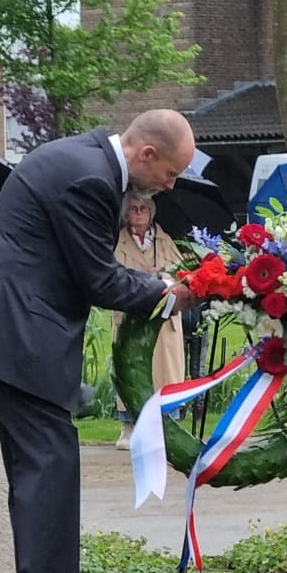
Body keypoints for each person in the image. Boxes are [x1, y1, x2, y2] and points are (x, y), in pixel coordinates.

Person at [0, 109, 197, 573]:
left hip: (10, 328)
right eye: (171, 174)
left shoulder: (83, 157)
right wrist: (169, 292)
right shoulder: (93, 179)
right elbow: (97, 279)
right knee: (48, 470)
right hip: (18, 334)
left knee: (43, 469)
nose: (170, 187)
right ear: (146, 153)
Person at [109, 191, 185, 451]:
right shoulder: (117, 242)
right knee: (130, 366)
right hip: (131, 314)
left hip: (164, 318)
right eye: (133, 209)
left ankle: (167, 425)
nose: (139, 213)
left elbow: (182, 275)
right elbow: (111, 276)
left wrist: (161, 275)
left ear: (152, 212)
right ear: (125, 213)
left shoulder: (165, 241)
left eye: (143, 208)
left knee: (166, 372)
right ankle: (129, 427)